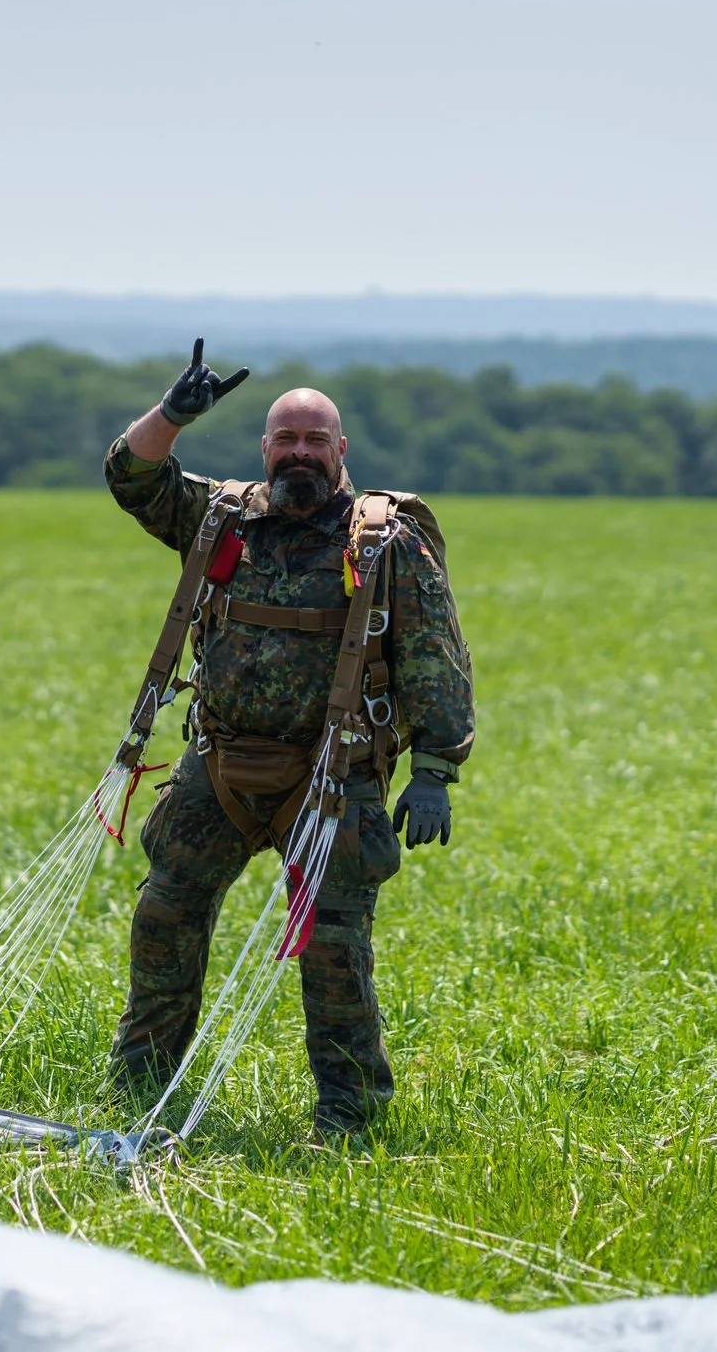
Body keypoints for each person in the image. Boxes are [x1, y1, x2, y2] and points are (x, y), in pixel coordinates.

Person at [105, 342, 474, 1135]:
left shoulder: (383, 541)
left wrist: (437, 768)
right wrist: (172, 415)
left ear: (340, 452)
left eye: (315, 441)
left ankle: (351, 1114)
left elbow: (434, 656)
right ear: (264, 447)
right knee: (165, 916)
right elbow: (131, 478)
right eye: (286, 439)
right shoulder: (224, 517)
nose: (299, 453)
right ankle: (139, 1088)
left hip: (335, 777)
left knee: (334, 951)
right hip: (224, 764)